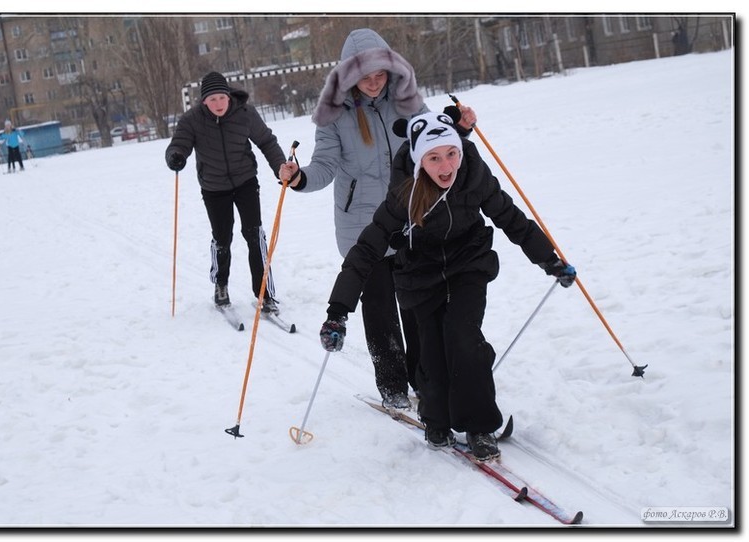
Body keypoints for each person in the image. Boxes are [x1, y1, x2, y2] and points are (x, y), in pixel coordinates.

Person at [317, 109, 577, 461]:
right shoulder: (404, 192)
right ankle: (436, 418)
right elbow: (366, 250)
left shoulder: (473, 175)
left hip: (469, 262)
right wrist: (337, 311)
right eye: (434, 158)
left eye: (451, 154)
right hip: (421, 272)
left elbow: (511, 218)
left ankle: (479, 425)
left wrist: (550, 259)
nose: (446, 166)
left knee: (463, 337)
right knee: (432, 350)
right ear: (419, 159)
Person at [278, 28, 477, 409]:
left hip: (411, 217)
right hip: (362, 226)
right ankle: (392, 388)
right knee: (381, 309)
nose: (373, 83)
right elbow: (324, 165)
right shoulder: (334, 116)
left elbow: (434, 139)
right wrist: (299, 177)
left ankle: (427, 380)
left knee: (418, 304)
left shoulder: (406, 102)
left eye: (379, 75)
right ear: (349, 76)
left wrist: (459, 126)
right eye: (365, 77)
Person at [165, 71, 287, 314]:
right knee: (222, 239)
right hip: (214, 187)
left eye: (222, 98)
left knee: (255, 236)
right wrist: (176, 157)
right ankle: (221, 285)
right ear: (203, 102)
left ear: (229, 96)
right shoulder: (192, 120)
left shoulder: (245, 113)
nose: (218, 104)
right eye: (212, 100)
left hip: (245, 181)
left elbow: (266, 141)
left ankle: (264, 292)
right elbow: (179, 144)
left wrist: (280, 167)